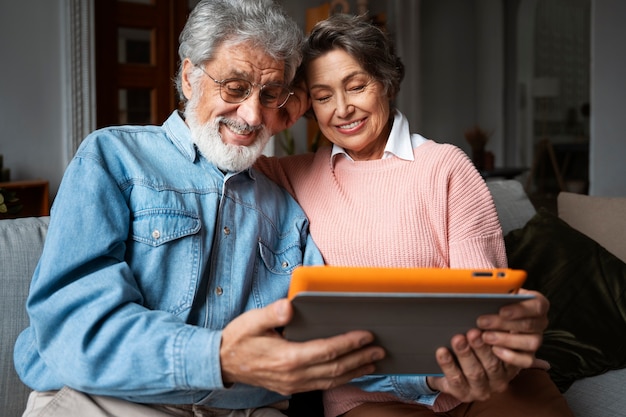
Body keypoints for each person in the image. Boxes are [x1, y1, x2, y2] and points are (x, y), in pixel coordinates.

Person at [12, 2, 386, 416]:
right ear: (190, 77)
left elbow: (327, 335)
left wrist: (429, 380)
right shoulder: (114, 158)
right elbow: (73, 326)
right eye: (235, 87)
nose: (252, 114)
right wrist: (217, 357)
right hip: (109, 400)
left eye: (270, 94)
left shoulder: (287, 208)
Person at [255, 13, 574, 417]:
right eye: (321, 96)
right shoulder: (294, 174)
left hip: (478, 381)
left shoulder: (445, 166)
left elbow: (487, 305)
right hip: (370, 394)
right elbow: (229, 162)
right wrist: (278, 111)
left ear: (387, 83)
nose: (342, 109)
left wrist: (478, 362)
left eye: (356, 86)